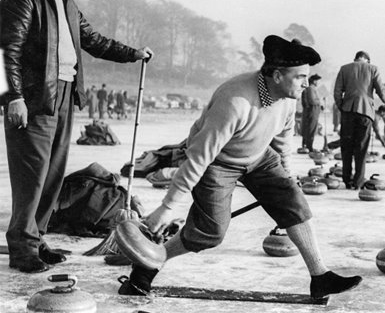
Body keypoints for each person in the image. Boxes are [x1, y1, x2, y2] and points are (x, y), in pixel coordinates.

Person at [118, 35, 362, 299]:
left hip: (258, 156)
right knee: (209, 233)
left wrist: (287, 177)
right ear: (277, 76)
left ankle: (320, 276)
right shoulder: (235, 100)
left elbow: (282, 140)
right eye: (300, 76)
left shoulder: (289, 97)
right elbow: (199, 157)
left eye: (307, 76)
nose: (306, 83)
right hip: (217, 162)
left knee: (295, 203)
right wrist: (167, 208)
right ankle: (149, 262)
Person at [0, 0, 153, 273]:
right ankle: (22, 248)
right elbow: (6, 52)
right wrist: (13, 97)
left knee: (52, 174)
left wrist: (133, 53)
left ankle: (37, 240)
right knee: (31, 176)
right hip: (35, 99)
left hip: (65, 95)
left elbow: (93, 40)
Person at [334, 51, 385, 190]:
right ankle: (358, 182)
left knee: (346, 147)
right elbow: (381, 90)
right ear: (367, 60)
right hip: (365, 112)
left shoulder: (345, 68)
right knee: (361, 148)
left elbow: (337, 91)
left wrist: (342, 106)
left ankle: (347, 179)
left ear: (355, 59)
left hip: (348, 111)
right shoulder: (373, 69)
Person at [300, 74, 322, 152]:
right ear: (314, 81)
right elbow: (312, 100)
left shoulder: (310, 88)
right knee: (311, 128)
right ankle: (309, 146)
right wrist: (320, 102)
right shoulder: (311, 89)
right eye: (317, 81)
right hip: (312, 111)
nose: (318, 82)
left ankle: (306, 145)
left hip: (312, 111)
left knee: (308, 127)